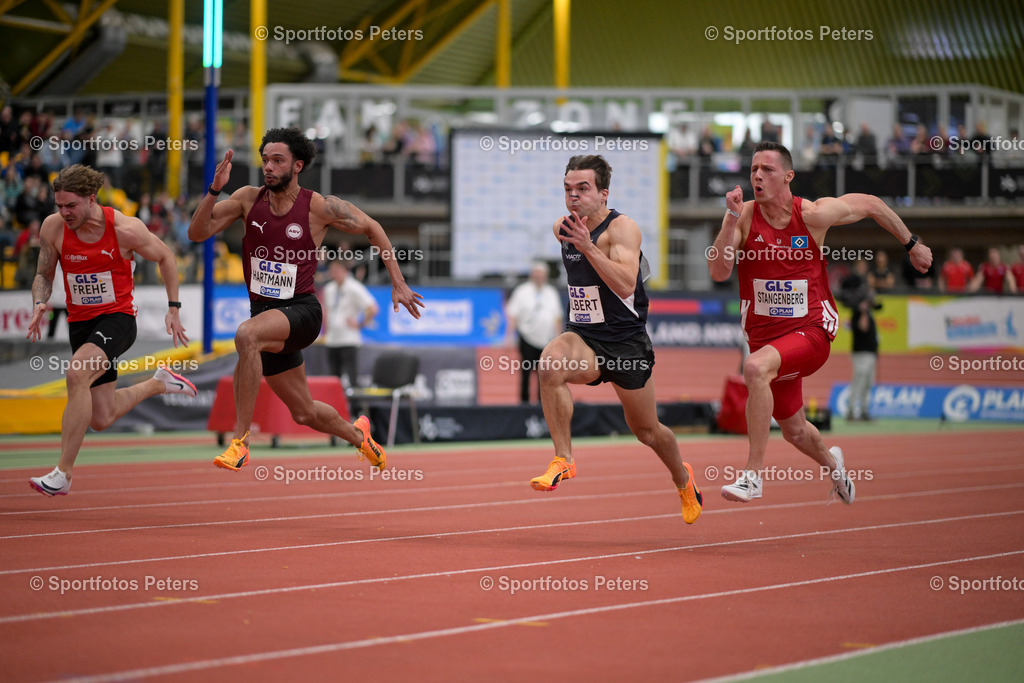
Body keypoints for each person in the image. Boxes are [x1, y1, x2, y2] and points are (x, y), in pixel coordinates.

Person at [188, 127, 424, 472]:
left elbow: (373, 227)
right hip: (267, 316)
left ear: (297, 166)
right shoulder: (246, 199)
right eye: (265, 160)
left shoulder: (319, 207)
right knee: (304, 412)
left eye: (278, 160)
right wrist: (214, 190)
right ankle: (360, 437)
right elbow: (197, 233)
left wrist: (398, 282)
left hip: (301, 311)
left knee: (246, 335)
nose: (268, 167)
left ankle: (239, 442)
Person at [707, 141, 932, 503]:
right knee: (794, 431)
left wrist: (912, 244)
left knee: (755, 368)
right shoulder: (743, 216)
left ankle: (752, 475)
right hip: (767, 339)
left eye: (767, 169)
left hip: (811, 333)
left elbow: (871, 204)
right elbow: (719, 271)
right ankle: (835, 466)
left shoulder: (812, 215)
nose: (757, 176)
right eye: (753, 170)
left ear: (788, 176)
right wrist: (730, 217)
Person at [529, 155, 702, 524]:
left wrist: (588, 247)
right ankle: (564, 459)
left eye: (583, 189)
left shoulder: (623, 229)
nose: (573, 196)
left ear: (604, 193)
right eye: (567, 189)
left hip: (626, 344)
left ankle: (683, 480)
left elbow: (625, 284)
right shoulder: (562, 227)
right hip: (585, 336)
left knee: (648, 431)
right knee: (550, 364)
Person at [25, 164, 195, 496]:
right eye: (59, 206)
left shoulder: (126, 229)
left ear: (91, 199)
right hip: (80, 323)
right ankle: (158, 383)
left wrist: (173, 309)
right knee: (101, 417)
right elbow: (44, 273)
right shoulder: (53, 228)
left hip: (117, 318)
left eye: (71, 205)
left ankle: (63, 473)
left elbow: (166, 258)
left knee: (76, 374)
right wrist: (39, 302)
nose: (64, 212)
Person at [505, 261, 563, 404]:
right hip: (527, 338)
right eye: (536, 274)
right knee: (525, 372)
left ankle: (540, 403)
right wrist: (509, 336)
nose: (539, 277)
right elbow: (513, 315)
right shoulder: (522, 291)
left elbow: (557, 317)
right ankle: (524, 403)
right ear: (532, 275)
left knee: (543, 374)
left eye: (542, 275)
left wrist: (560, 339)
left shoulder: (551, 293)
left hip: (546, 340)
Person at [321, 258, 378, 391]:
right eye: (332, 270)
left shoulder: (354, 287)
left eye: (337, 270)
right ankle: (334, 409)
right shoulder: (329, 289)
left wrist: (360, 324)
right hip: (332, 339)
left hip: (348, 339)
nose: (334, 273)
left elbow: (373, 308)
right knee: (333, 379)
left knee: (352, 380)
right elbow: (327, 311)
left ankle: (355, 410)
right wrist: (325, 330)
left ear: (345, 271)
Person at [847, 293, 880, 422]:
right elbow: (863, 327)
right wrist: (863, 312)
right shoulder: (857, 314)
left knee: (868, 383)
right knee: (859, 382)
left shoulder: (869, 313)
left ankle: (864, 410)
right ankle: (851, 410)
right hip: (861, 354)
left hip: (871, 354)